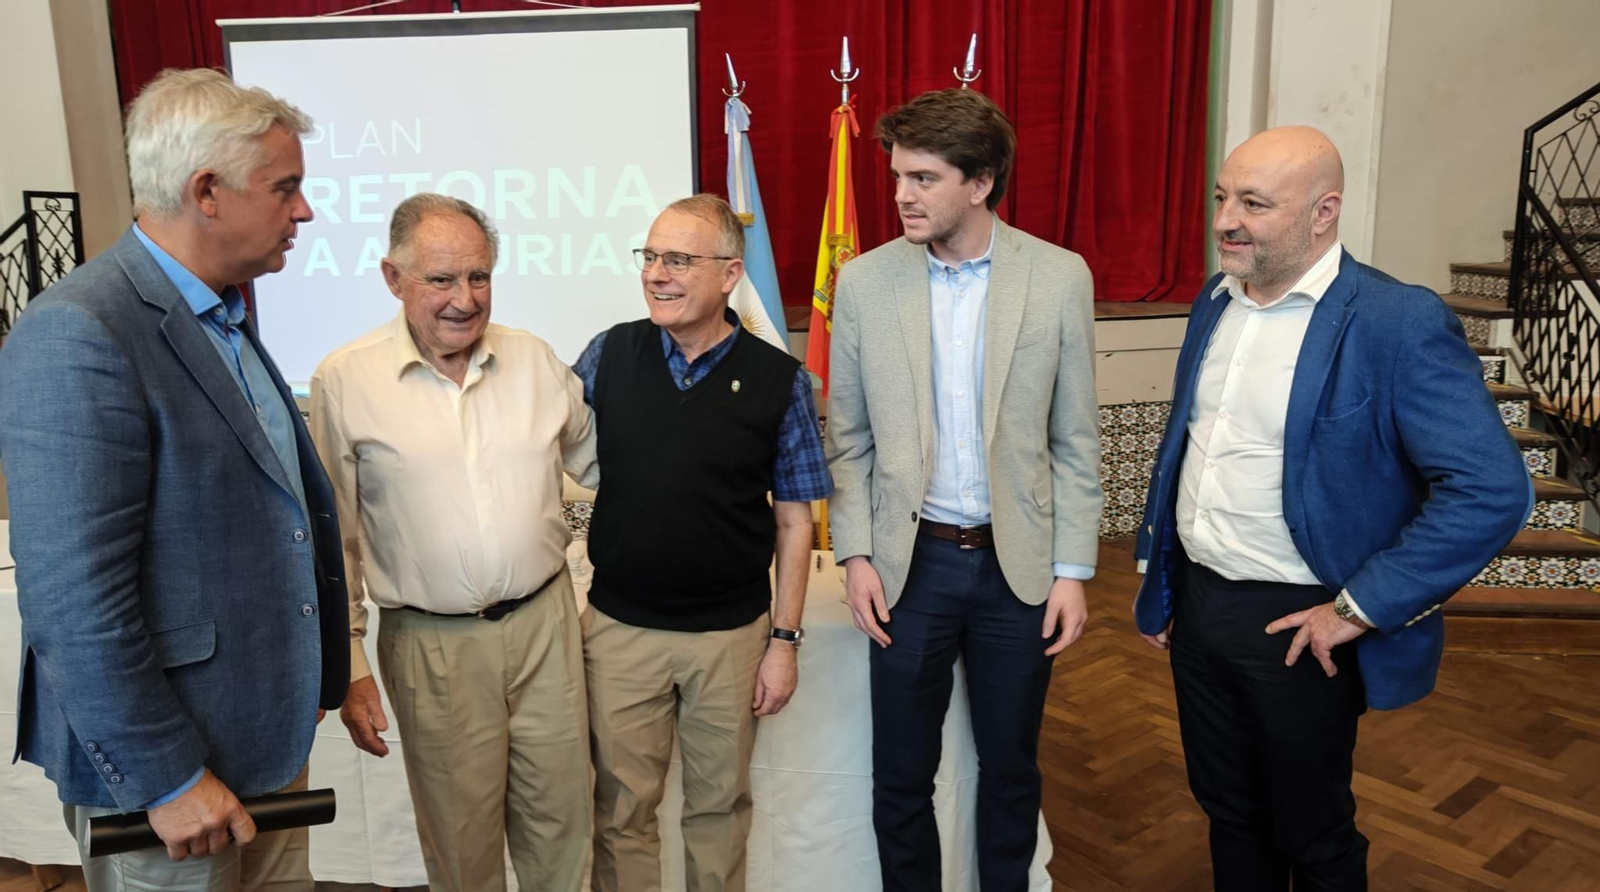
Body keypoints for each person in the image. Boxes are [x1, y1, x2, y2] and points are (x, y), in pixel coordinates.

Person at [1133, 125, 1532, 889]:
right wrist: (1167, 583)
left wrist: (1358, 608)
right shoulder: (1213, 302)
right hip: (1202, 608)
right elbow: (1188, 451)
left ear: (1324, 213)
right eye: (1221, 197)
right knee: (1226, 808)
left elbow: (1492, 491)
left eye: (1253, 202)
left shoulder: (1394, 321)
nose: (1225, 219)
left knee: (1311, 830)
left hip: (1303, 623)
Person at [0, 68, 347, 890]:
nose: (304, 212)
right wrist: (166, 775)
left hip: (258, 748)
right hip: (171, 784)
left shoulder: (223, 312)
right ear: (207, 192)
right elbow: (74, 599)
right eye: (286, 188)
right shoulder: (80, 333)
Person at [824, 88, 1103, 892]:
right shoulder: (866, 283)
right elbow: (850, 441)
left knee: (1011, 766)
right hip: (909, 570)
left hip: (1018, 572)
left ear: (979, 183)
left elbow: (1075, 441)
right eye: (898, 175)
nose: (902, 194)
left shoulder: (1057, 278)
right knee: (901, 775)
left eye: (923, 177)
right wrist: (856, 555)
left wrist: (1073, 571)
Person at [308, 193, 598, 892]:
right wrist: (348, 662)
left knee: (564, 829)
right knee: (462, 848)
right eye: (441, 280)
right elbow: (332, 540)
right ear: (392, 278)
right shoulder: (345, 381)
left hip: (546, 628)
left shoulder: (534, 360)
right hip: (430, 644)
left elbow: (603, 473)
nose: (464, 300)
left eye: (479, 276)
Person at [569, 193, 829, 892]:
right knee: (621, 810)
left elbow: (795, 519)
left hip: (731, 637)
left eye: (678, 259)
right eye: (650, 256)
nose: (657, 273)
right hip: (620, 631)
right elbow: (547, 450)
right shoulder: (607, 353)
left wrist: (785, 640)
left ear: (729, 274)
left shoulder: (781, 381)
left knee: (718, 809)